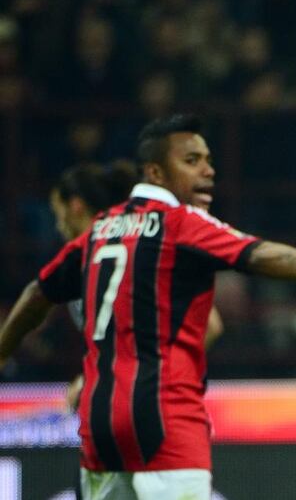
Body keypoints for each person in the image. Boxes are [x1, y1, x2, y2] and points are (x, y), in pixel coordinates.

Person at [0, 113, 296, 500]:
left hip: (99, 422)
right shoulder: (181, 223)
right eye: (192, 161)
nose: (208, 171)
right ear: (155, 171)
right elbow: (260, 254)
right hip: (166, 416)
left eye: (208, 160)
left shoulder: (101, 228)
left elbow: (37, 292)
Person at [49, 160, 225, 409]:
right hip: (121, 404)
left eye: (58, 213)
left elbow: (210, 325)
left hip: (158, 402)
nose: (58, 224)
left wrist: (152, 382)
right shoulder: (83, 260)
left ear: (75, 206)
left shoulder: (138, 249)